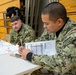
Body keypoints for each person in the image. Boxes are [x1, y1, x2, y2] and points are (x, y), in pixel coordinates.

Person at [18, 2, 76, 75]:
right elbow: (41, 40)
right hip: (52, 68)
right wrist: (26, 48)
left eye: (46, 23)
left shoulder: (73, 35)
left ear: (59, 22)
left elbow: (62, 64)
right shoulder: (52, 29)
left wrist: (30, 56)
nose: (44, 26)